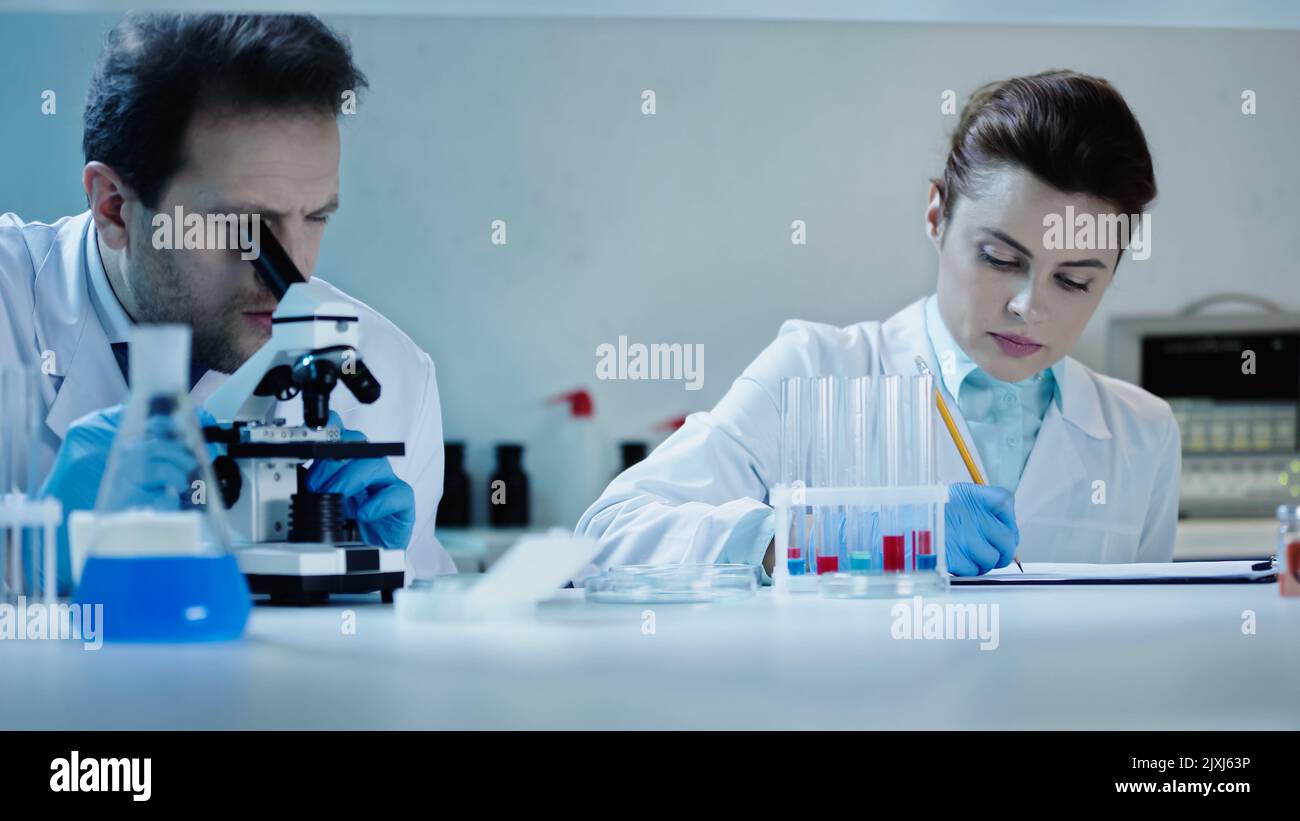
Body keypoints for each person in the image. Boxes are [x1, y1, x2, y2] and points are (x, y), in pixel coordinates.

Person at [575, 70, 1179, 579]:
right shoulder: (814, 370)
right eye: (1000, 258)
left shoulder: (1143, 435)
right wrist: (837, 540)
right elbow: (608, 535)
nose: (1029, 306)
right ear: (937, 215)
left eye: (1074, 281)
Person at [0, 13, 456, 589]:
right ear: (114, 206)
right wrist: (24, 565)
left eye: (315, 217)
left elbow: (427, 629)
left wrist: (373, 585)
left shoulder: (392, 373)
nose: (289, 272)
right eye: (243, 226)